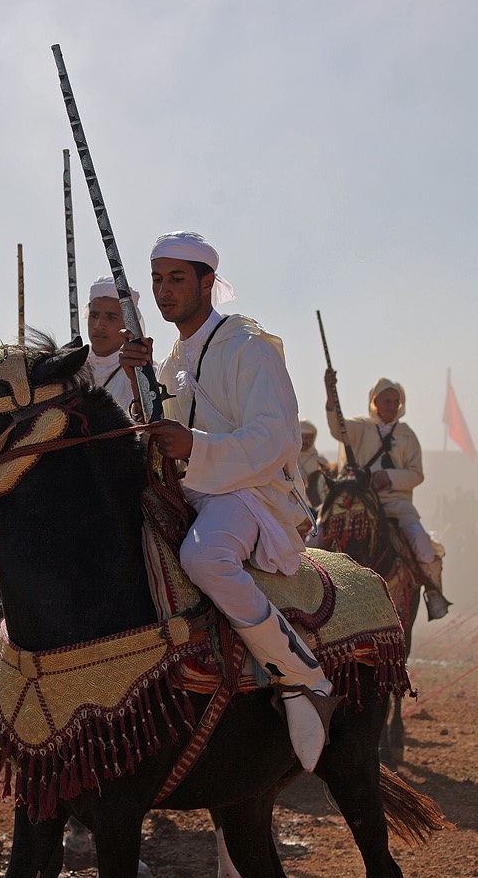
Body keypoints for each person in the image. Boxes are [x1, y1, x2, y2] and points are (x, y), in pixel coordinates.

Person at [120, 231, 334, 772]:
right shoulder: (168, 362)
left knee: (204, 556)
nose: (164, 291)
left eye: (177, 279)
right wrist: (135, 380)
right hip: (190, 489)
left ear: (207, 282)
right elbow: (155, 433)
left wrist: (196, 445)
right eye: (157, 280)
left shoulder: (248, 347)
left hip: (251, 493)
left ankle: (300, 676)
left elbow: (276, 439)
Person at [324, 371, 450, 620]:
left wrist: (388, 477)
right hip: (359, 505)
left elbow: (416, 473)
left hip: (396, 506)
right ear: (375, 402)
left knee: (423, 546)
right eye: (387, 401)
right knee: (316, 536)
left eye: (396, 402)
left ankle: (434, 592)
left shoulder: (407, 435)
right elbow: (337, 428)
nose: (392, 406)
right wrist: (330, 391)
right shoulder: (359, 427)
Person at [84, 276, 144, 414]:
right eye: (94, 316)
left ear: (128, 324)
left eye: (111, 317)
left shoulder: (140, 374)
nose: (99, 325)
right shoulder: (73, 369)